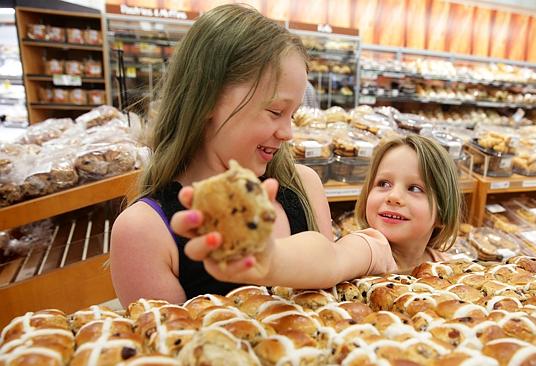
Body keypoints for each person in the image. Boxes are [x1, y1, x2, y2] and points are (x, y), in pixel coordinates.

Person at [109, 4, 335, 307]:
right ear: (208, 99)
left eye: (292, 115)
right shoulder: (143, 230)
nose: (288, 132)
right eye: (275, 111)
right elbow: (165, 345)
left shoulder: (304, 186)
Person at [171, 134, 463, 289]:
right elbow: (330, 257)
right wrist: (269, 257)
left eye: (415, 189)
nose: (394, 197)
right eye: (383, 183)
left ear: (443, 213)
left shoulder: (450, 265)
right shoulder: (373, 247)